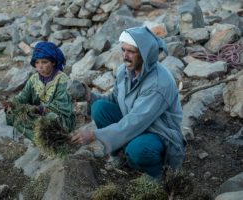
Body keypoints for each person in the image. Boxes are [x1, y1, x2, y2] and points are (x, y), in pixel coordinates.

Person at [71, 27, 186, 178]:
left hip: (158, 133)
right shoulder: (124, 71)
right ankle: (118, 154)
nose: (125, 56)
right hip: (135, 124)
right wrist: (90, 97)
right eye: (123, 50)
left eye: (131, 51)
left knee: (137, 149)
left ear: (145, 55)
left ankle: (155, 174)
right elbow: (115, 100)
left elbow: (134, 123)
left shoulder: (159, 84)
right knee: (99, 108)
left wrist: (94, 135)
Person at [4, 41, 75, 142]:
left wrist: (40, 109)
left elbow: (62, 105)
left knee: (50, 120)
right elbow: (23, 97)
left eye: (44, 62)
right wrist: (12, 104)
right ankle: (41, 138)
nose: (40, 66)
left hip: (58, 116)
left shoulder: (62, 79)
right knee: (11, 114)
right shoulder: (34, 79)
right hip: (37, 114)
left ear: (53, 62)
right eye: (37, 62)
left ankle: (45, 138)